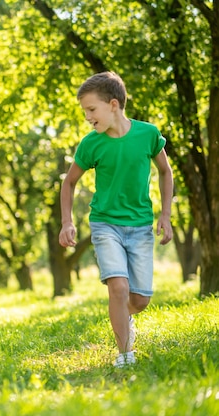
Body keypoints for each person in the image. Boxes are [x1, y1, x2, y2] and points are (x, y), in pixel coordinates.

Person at [59, 72, 173, 368]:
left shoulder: (147, 134)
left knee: (140, 300)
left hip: (140, 226)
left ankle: (123, 319)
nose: (87, 117)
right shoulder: (91, 144)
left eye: (91, 109)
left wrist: (165, 215)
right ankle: (124, 354)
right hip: (105, 224)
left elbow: (165, 171)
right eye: (85, 111)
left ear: (113, 104)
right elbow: (68, 182)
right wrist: (66, 221)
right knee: (118, 289)